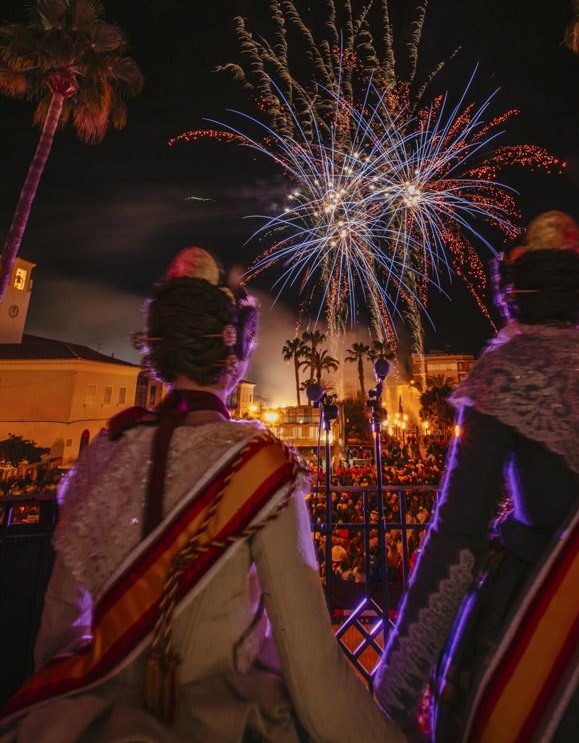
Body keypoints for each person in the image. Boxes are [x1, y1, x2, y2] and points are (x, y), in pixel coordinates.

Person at [0, 248, 404, 743]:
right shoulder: (260, 462)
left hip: (89, 719)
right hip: (222, 720)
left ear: (159, 346)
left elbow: (59, 629)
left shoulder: (104, 452)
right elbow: (311, 664)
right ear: (233, 354)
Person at [374, 212, 579, 742]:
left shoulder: (503, 375)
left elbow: (458, 533)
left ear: (511, 294)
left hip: (539, 625)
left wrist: (398, 681)